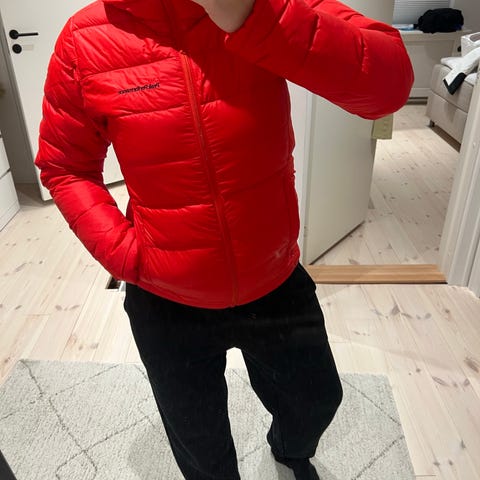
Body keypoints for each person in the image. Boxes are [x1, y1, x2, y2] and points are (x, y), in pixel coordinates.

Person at [35, 0, 414, 478]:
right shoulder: (85, 37)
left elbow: (388, 86)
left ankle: (289, 452)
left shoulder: (263, 4)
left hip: (273, 277)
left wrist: (255, 17)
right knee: (201, 448)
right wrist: (125, 256)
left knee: (317, 400)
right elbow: (65, 165)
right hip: (166, 299)